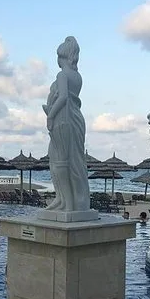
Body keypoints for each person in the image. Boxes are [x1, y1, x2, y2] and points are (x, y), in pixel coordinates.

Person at [43, 36, 90, 212]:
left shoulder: (62, 75)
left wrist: (50, 116)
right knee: (73, 160)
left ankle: (67, 203)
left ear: (61, 56)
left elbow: (63, 97)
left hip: (63, 119)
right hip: (75, 119)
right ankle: (63, 199)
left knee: (60, 160)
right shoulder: (77, 76)